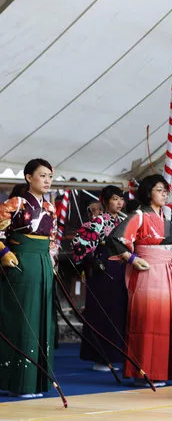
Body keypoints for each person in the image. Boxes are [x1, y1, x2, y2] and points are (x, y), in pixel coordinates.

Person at [108, 174, 172, 387]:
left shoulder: (166, 220)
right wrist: (131, 258)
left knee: (164, 321)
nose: (164, 193)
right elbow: (115, 239)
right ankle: (144, 371)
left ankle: (160, 370)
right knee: (147, 320)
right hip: (147, 271)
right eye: (159, 189)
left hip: (166, 272)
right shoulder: (139, 215)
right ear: (148, 192)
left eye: (165, 190)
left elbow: (168, 245)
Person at [0, 159, 58, 398]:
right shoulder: (15, 203)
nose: (47, 181)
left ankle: (36, 382)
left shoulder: (50, 208)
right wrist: (3, 252)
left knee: (43, 320)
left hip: (42, 262)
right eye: (42, 175)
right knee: (23, 319)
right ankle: (19, 382)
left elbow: (52, 239)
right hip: (21, 261)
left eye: (50, 177)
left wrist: (52, 260)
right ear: (28, 177)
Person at [71, 186, 127, 372]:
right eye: (115, 199)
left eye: (121, 199)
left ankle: (116, 355)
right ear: (105, 201)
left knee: (119, 311)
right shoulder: (99, 221)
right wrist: (91, 259)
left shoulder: (125, 220)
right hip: (103, 268)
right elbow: (80, 242)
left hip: (121, 268)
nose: (119, 203)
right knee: (103, 312)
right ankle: (100, 357)